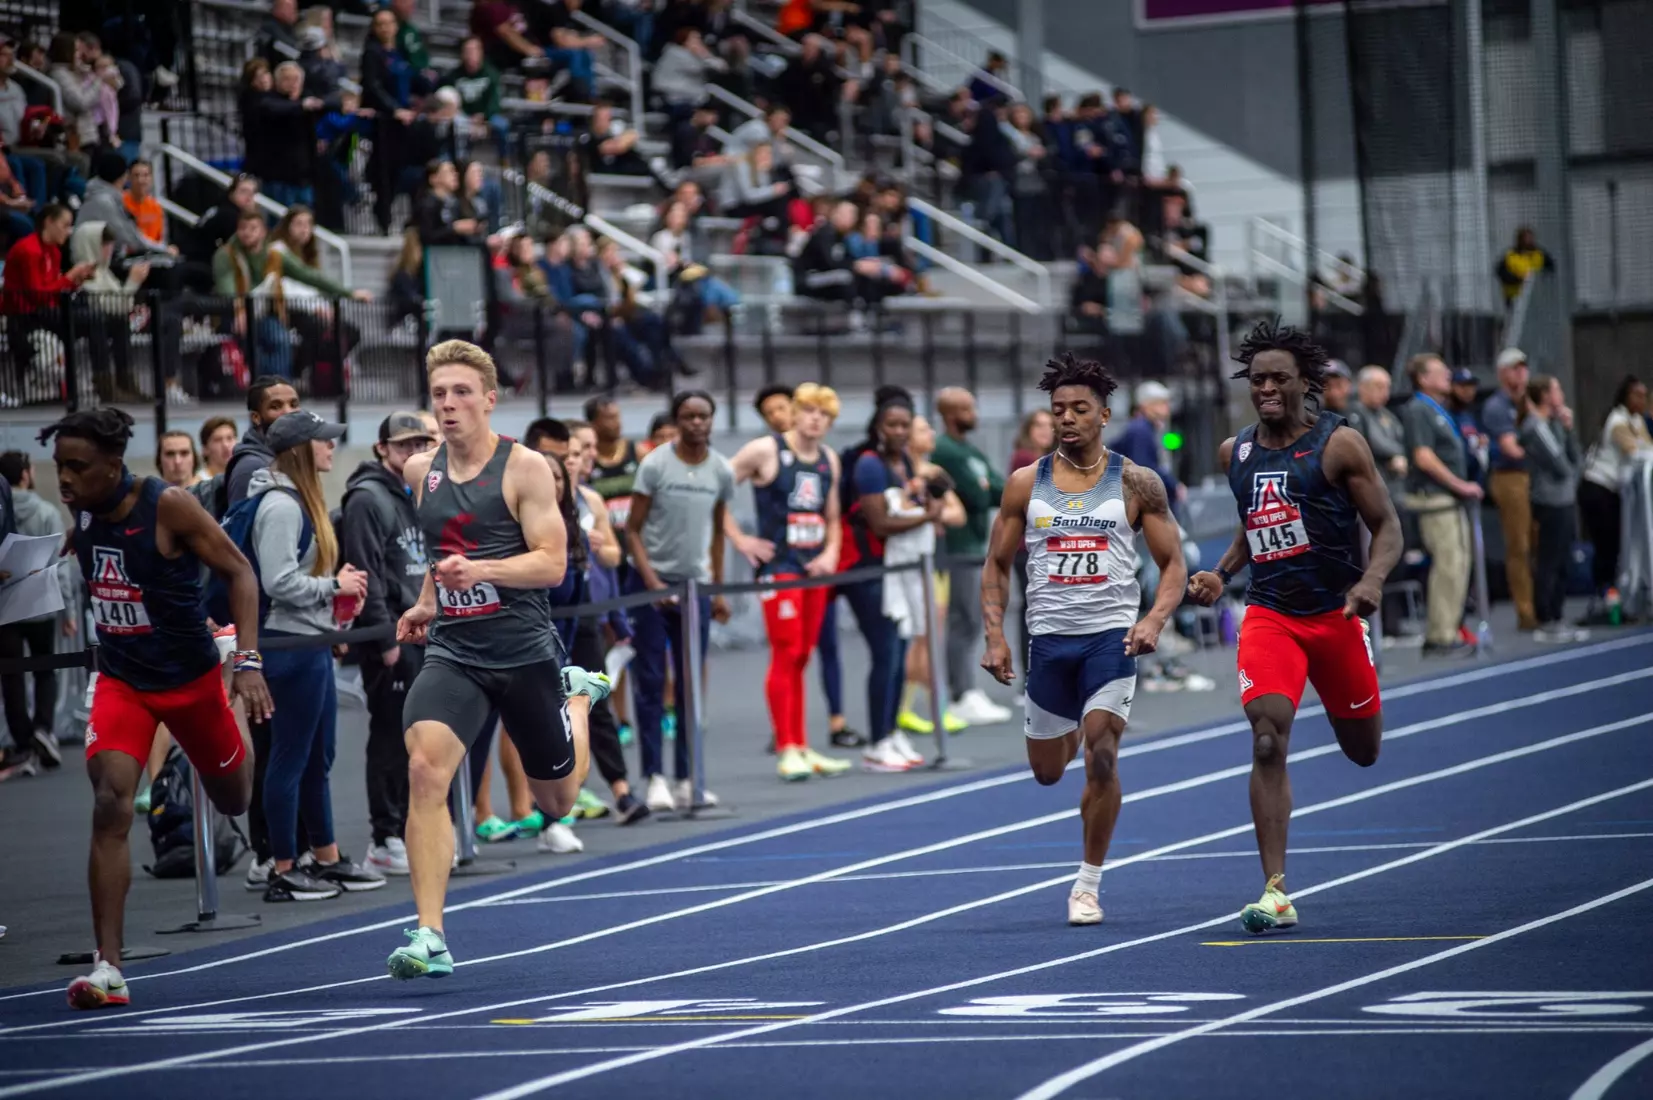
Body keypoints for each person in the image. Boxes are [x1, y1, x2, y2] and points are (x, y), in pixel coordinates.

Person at [388, 340, 610, 979]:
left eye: (462, 393)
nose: (449, 405)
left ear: (489, 399)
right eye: (439, 394)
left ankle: (577, 697)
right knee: (427, 769)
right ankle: (430, 934)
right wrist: (430, 600)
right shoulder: (419, 472)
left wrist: (478, 570)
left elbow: (551, 562)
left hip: (522, 653)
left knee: (558, 802)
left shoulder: (526, 469)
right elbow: (441, 550)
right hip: (456, 651)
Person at [43, 408, 272, 1009]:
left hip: (192, 679)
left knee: (235, 798)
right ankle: (108, 967)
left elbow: (240, 572)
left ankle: (233, 712)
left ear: (113, 466)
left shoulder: (168, 505)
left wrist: (245, 664)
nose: (64, 478)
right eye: (58, 465)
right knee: (110, 797)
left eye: (77, 466)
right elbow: (93, 546)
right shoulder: (83, 505)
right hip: (123, 679)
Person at [1186, 321, 1401, 934]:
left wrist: (1371, 582)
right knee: (1266, 737)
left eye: (1279, 378)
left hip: (1335, 617)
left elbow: (1387, 526)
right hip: (1271, 614)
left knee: (1363, 752)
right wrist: (1220, 573)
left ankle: (1352, 677)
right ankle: (1275, 890)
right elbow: (1255, 522)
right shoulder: (1237, 453)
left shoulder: (1341, 445)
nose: (1267, 389)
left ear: (1307, 382)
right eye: (1257, 381)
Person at [980, 354, 1186, 926]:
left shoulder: (1137, 481)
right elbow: (996, 564)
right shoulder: (1027, 483)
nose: (1066, 420)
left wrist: (1153, 621)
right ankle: (1067, 725)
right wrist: (995, 635)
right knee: (1049, 772)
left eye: (1078, 409)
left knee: (1102, 755)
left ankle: (1087, 885)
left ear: (1104, 414)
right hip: (1048, 641)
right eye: (1057, 411)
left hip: (1109, 640)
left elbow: (1173, 564)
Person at [247, 410, 383, 902]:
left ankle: (324, 856)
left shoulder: (299, 500)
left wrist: (335, 605)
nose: (331, 447)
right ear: (302, 450)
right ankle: (284, 866)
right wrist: (333, 586)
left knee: (316, 757)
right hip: (291, 646)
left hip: (311, 640)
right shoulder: (281, 506)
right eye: (323, 441)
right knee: (291, 757)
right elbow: (277, 581)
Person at [730, 382, 853, 781]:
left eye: (825, 414)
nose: (817, 419)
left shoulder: (828, 459)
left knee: (802, 653)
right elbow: (714, 489)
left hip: (812, 567)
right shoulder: (765, 450)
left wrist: (832, 551)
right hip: (778, 566)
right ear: (795, 412)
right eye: (810, 411)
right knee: (785, 650)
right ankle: (786, 747)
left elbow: (832, 516)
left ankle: (801, 744)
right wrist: (740, 539)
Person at [624, 391, 734, 812]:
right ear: (677, 420)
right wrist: (653, 583)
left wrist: (717, 589)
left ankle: (690, 777)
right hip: (652, 586)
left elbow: (719, 533)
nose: (696, 423)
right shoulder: (654, 465)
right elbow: (633, 530)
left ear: (711, 420)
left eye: (703, 416)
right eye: (688, 416)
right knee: (650, 681)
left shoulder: (721, 470)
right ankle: (654, 776)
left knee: (690, 685)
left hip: (695, 588)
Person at [342, 412, 436, 875]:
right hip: (393, 636)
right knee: (389, 736)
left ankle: (409, 829)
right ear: (382, 449)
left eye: (421, 443)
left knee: (420, 736)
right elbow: (367, 571)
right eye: (404, 446)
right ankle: (384, 835)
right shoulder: (367, 498)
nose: (414, 452)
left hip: (423, 632)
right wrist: (384, 639)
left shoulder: (417, 490)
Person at [842, 392, 939, 772]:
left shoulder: (902, 463)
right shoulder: (869, 465)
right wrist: (927, 517)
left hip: (897, 570)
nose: (899, 431)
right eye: (892, 425)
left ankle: (891, 729)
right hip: (869, 572)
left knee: (899, 653)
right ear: (878, 428)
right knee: (885, 653)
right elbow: (881, 522)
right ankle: (877, 741)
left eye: (905, 425)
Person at [930, 387, 1013, 727]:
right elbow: (977, 495)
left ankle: (967, 689)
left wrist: (985, 488)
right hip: (956, 546)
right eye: (968, 409)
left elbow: (996, 487)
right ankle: (960, 693)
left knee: (972, 618)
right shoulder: (945, 450)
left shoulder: (968, 449)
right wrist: (983, 489)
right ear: (952, 413)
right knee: (962, 619)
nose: (975, 414)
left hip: (975, 544)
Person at [1401, 353, 1482, 655]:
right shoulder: (1419, 409)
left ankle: (1449, 629)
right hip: (1434, 497)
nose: (1448, 374)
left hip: (1449, 497)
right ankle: (1439, 635)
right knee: (1448, 563)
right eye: (1440, 371)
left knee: (1459, 563)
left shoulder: (1437, 408)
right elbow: (1424, 456)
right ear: (1423, 378)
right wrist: (1459, 484)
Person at [0, 451, 74, 776]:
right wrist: (68, 609)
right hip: (41, 601)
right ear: (27, 474)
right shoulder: (47, 511)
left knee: (12, 674)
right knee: (46, 667)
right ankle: (44, 728)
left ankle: (24, 742)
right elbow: (61, 563)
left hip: (6, 603)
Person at [1520, 375, 1586, 643]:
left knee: (1563, 560)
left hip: (1565, 498)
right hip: (1549, 500)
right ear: (1545, 396)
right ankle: (1546, 616)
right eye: (1557, 389)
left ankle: (1557, 614)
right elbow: (1561, 465)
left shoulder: (1553, 424)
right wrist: (1564, 432)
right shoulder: (1536, 427)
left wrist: (1568, 428)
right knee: (1549, 559)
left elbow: (1576, 460)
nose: (1561, 393)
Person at [1579, 376, 1652, 611]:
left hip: (1616, 491)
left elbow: (1648, 448)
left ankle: (1613, 594)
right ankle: (1603, 596)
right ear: (1626, 397)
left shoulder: (1636, 420)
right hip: (1597, 486)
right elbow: (1635, 451)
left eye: (1644, 396)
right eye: (1637, 396)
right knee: (1606, 545)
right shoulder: (1618, 421)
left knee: (1617, 545)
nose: (1642, 400)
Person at [1481, 349, 1535, 631]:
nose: (1521, 373)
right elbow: (1511, 449)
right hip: (1510, 477)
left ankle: (1546, 606)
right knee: (1519, 546)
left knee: (1539, 542)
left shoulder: (1530, 402)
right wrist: (1543, 451)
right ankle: (1526, 612)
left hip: (1535, 476)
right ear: (1502, 373)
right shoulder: (1496, 406)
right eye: (1514, 368)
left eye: (1523, 368)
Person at [223, 377, 302, 511]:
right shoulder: (250, 467)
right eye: (276, 406)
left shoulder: (290, 456)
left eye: (293, 405)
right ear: (256, 417)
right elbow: (240, 527)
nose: (288, 412)